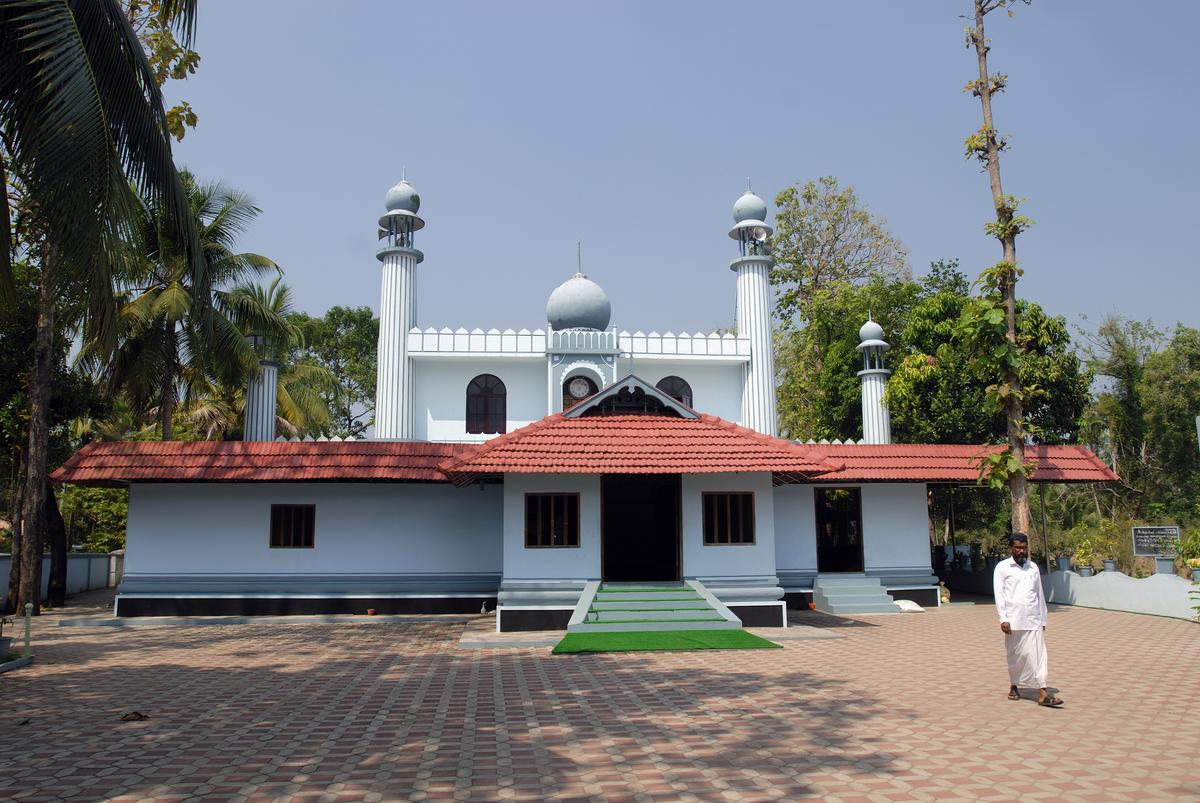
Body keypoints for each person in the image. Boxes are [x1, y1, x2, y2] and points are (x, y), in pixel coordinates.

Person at [993, 532, 1063, 707]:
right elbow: (999, 595)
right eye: (1017, 548)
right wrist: (1003, 618)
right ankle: (1014, 686)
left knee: (1038, 656)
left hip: (1033, 619)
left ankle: (1043, 693)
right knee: (1015, 655)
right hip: (1013, 621)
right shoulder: (1002, 568)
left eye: (1024, 548)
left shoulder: (1033, 568)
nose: (1021, 551)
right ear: (1011, 548)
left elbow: (1039, 593)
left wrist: (1043, 619)